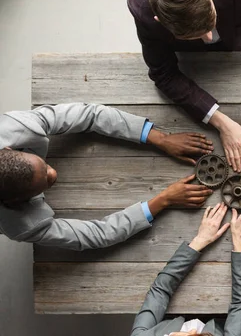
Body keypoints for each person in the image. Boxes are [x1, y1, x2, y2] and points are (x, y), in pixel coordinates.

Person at [128, 0, 241, 172]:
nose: (209, 37)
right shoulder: (143, 10)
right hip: (194, 61)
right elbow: (163, 73)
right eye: (195, 34)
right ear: (159, 20)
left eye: (210, 23)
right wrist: (220, 121)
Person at [0, 103, 214, 250]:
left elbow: (90, 115)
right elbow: (95, 235)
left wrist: (160, 138)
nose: (53, 172)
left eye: (44, 166)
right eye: (45, 183)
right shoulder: (20, 225)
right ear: (16, 202)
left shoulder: (14, 127)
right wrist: (162, 200)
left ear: (10, 149)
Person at [121, 200, 241, 336]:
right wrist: (240, 242)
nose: (192, 326)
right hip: (222, 330)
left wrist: (199, 241)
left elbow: (159, 291)